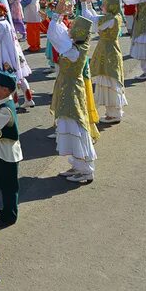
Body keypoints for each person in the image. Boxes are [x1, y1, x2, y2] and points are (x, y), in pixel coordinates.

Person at [47, 15, 99, 184]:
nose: (69, 29)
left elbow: (56, 38)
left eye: (73, 27)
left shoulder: (74, 50)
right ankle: (78, 164)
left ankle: (86, 170)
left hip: (72, 91)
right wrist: (57, 18)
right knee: (70, 125)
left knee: (76, 126)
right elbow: (58, 36)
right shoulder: (75, 46)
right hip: (68, 89)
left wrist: (55, 18)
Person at [0, 71, 23, 229]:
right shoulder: (0, 102)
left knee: (8, 187)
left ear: (6, 90)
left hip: (7, 155)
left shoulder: (5, 110)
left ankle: (9, 216)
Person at [83, 0, 127, 124]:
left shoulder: (111, 19)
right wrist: (88, 4)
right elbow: (96, 19)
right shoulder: (113, 17)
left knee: (110, 80)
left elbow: (92, 22)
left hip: (108, 51)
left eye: (104, 4)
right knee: (108, 80)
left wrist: (84, 4)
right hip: (107, 50)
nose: (102, 6)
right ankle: (112, 112)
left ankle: (114, 114)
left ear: (110, 6)